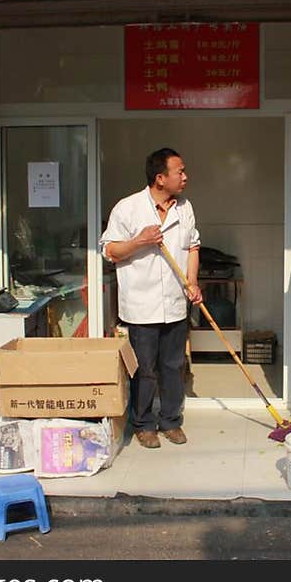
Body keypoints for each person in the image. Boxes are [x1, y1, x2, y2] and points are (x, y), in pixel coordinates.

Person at [99, 148, 203, 449]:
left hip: (174, 302)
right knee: (144, 369)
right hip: (140, 306)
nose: (185, 177)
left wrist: (192, 282)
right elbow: (110, 251)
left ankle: (171, 420)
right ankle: (144, 424)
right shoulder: (128, 208)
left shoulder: (184, 208)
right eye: (179, 171)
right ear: (160, 178)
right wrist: (140, 241)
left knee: (172, 365)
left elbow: (192, 247)